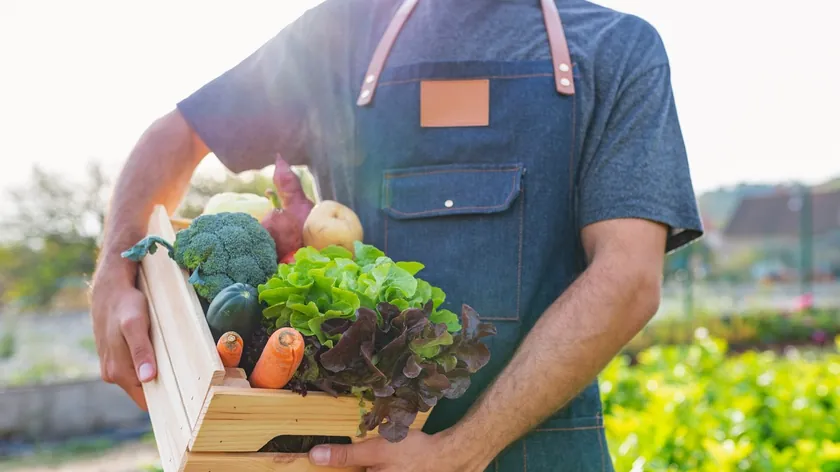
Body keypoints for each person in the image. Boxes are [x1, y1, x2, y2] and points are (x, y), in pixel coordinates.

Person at [90, 0, 703, 470]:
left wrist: (463, 449)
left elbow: (628, 278)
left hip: (546, 453)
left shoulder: (616, 49)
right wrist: (114, 273)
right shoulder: (339, 35)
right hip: (352, 452)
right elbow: (177, 136)